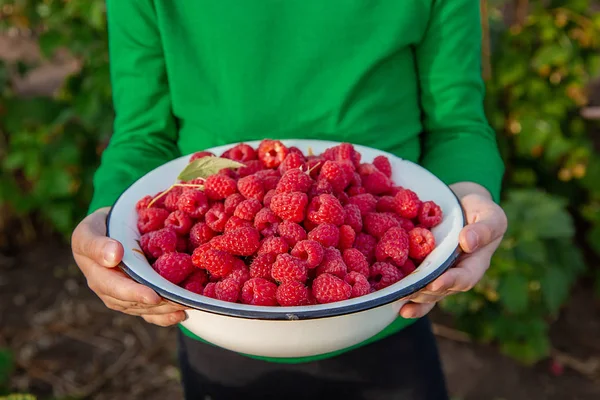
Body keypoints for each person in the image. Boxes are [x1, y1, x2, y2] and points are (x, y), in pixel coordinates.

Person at [71, 1, 508, 399]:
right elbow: (143, 135)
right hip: (217, 320)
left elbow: (457, 125)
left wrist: (466, 199)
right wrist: (110, 217)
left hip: (388, 311)